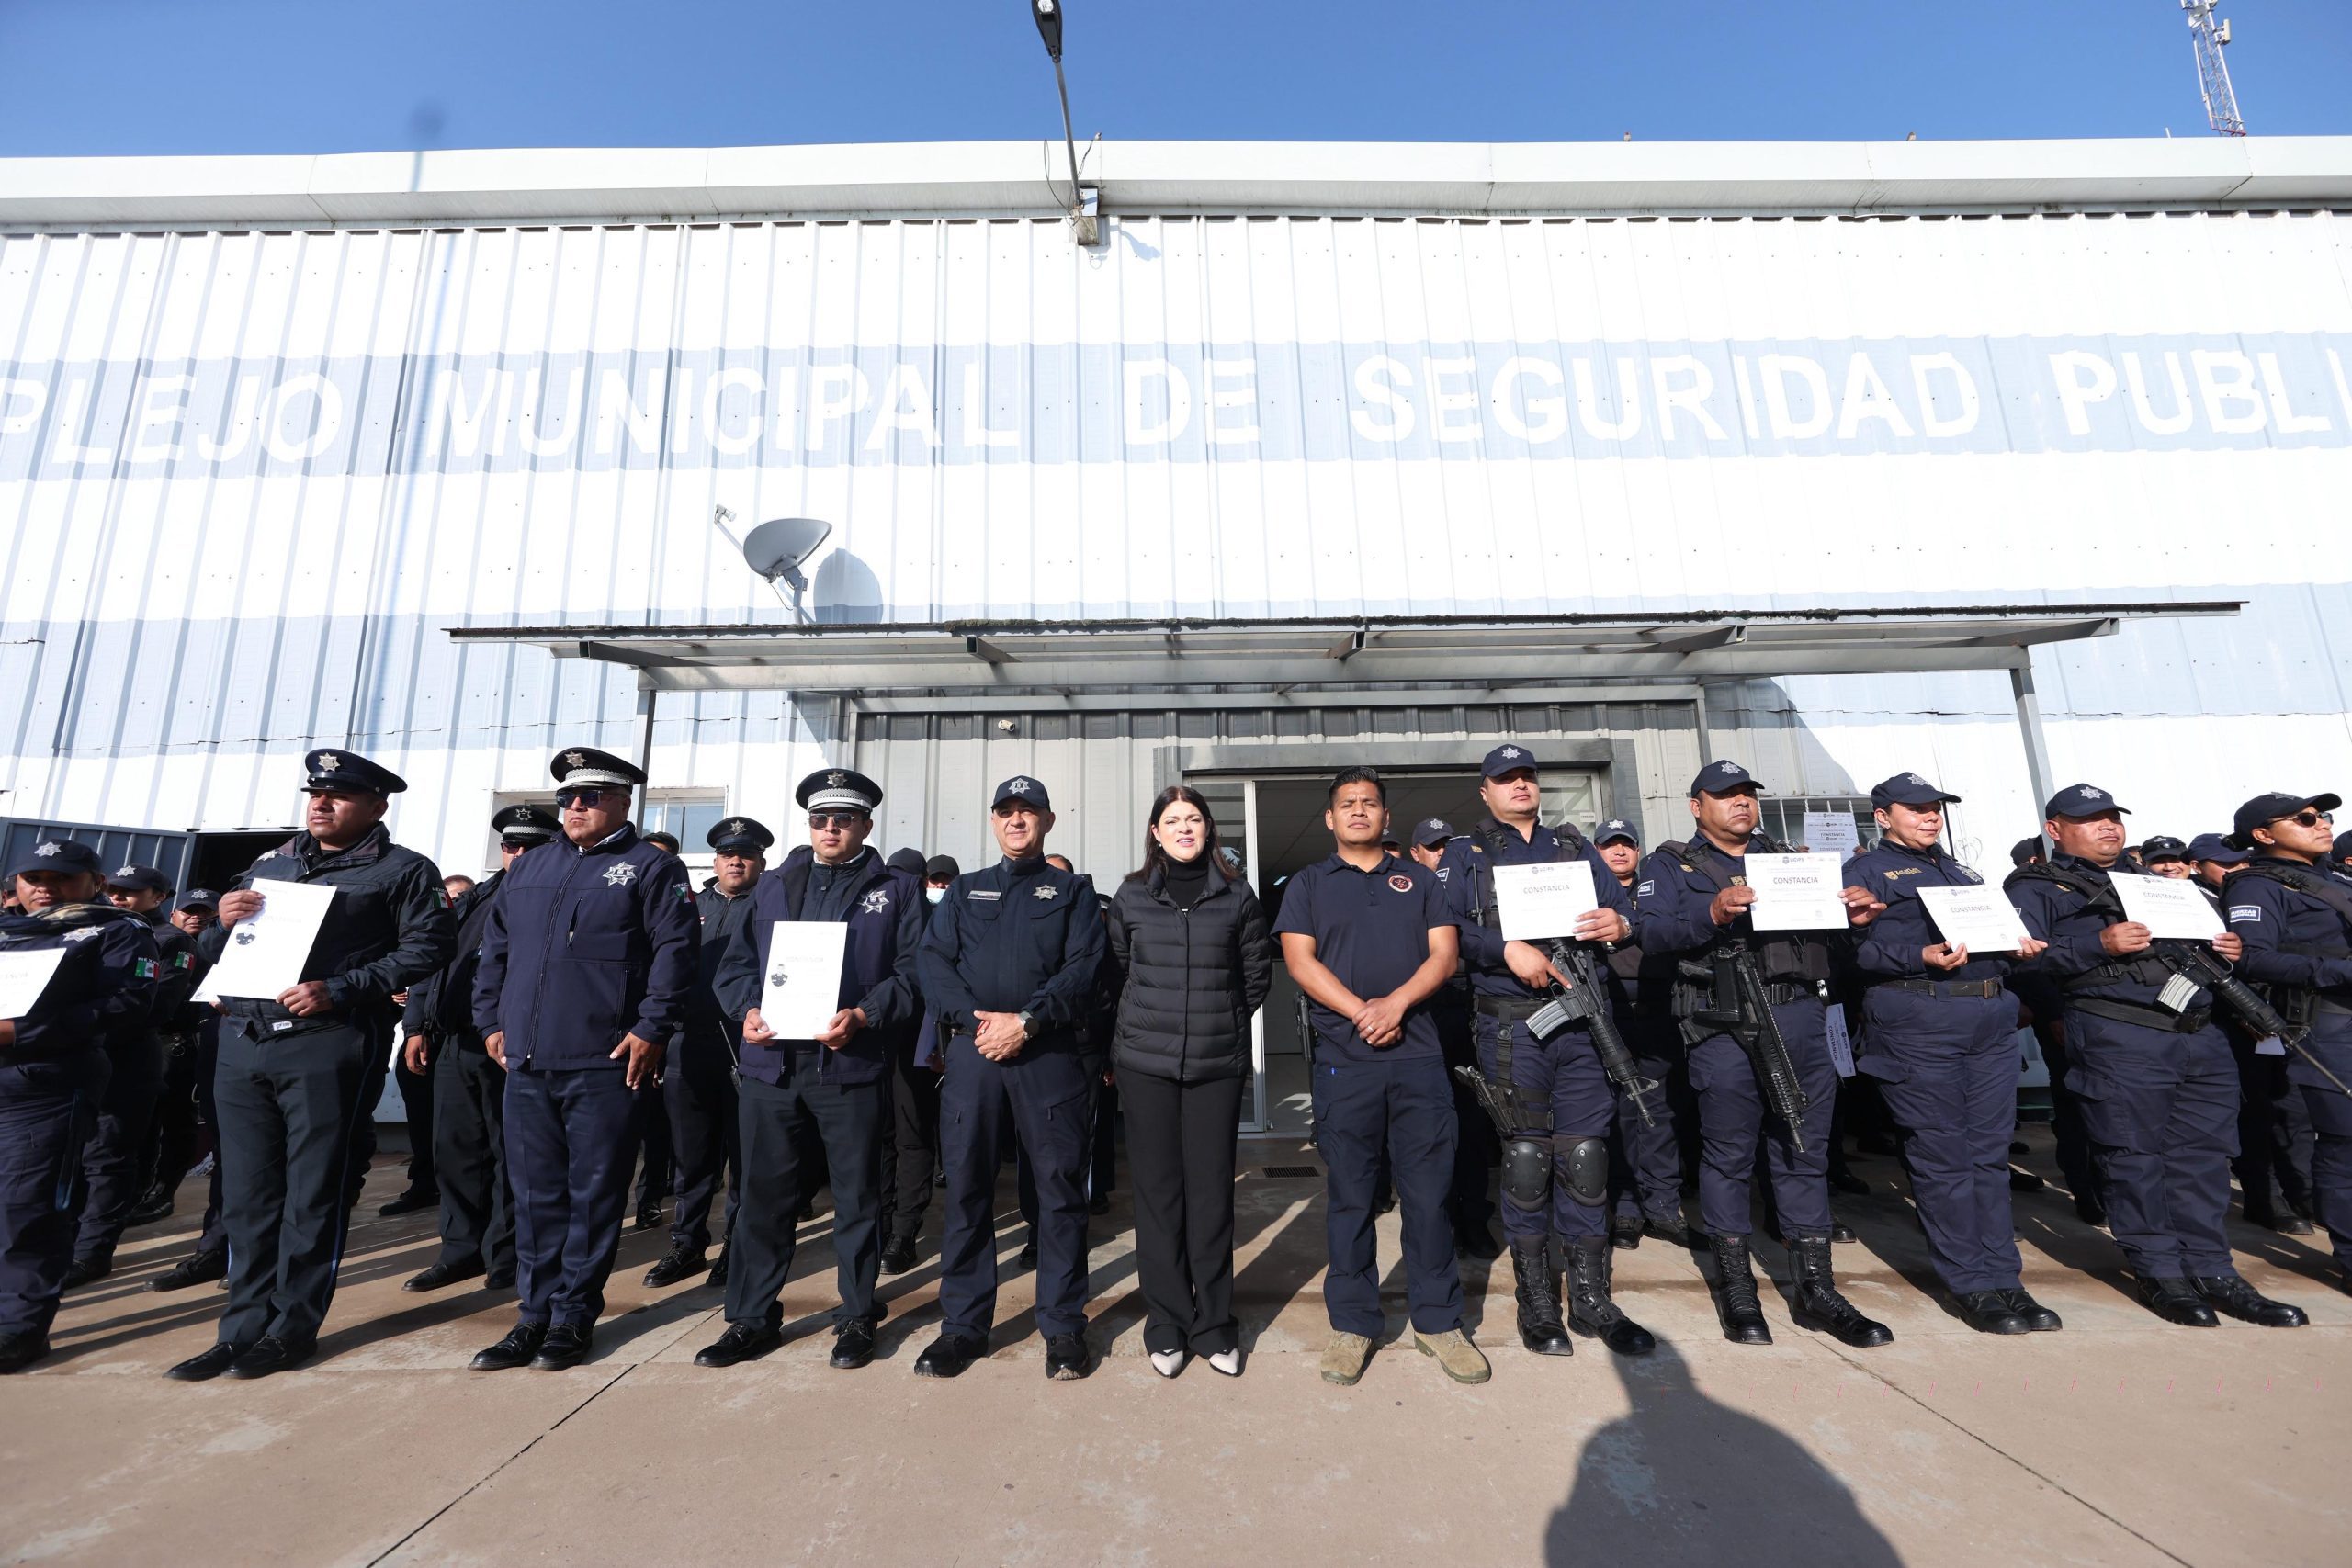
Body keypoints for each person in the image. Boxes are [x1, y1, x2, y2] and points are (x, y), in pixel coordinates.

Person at [165, 750, 457, 1382]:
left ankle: (291, 1329)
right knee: (246, 1196)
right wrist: (219, 924)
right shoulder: (270, 863)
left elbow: (431, 946)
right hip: (243, 1039)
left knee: (312, 1192)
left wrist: (343, 987)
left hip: (325, 1040)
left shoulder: (403, 870)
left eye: (339, 795)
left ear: (376, 806)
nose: (321, 803)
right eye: (315, 793)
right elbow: (214, 950)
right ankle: (239, 1330)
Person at [2007, 782, 2305, 1327]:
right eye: (2089, 819)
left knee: (2204, 1159)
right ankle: (2160, 1272)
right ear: (2055, 829)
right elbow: (2018, 960)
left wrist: (2229, 948)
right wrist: (2096, 944)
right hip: (2121, 1034)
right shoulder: (2036, 887)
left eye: (2112, 817)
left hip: (2199, 1034)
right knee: (2134, 1159)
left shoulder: (2155, 881)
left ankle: (2213, 1270)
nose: (2107, 826)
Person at [1642, 761, 1894, 1349]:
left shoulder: (1788, 860)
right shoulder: (1671, 865)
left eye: (1747, 795)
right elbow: (1649, 934)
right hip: (1725, 1024)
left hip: (1801, 1016)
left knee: (1804, 1150)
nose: (1741, 803)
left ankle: (1817, 1289)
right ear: (1697, 806)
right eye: (1726, 795)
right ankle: (1737, 1288)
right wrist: (1710, 912)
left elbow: (1831, 943)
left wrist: (1855, 920)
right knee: (1729, 1154)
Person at [466, 748, 698, 1372]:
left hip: (604, 1059)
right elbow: (495, 951)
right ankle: (531, 1317)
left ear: (623, 801)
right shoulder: (530, 866)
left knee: (593, 1194)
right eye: (567, 797)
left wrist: (652, 1027)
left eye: (590, 797)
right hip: (527, 1061)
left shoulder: (650, 866)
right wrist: (490, 1021)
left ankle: (573, 1317)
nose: (574, 807)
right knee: (535, 1196)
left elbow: (676, 952)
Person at [694, 769, 923, 1369]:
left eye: (844, 819)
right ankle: (751, 1319)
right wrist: (747, 1008)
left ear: (865, 824)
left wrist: (865, 1014)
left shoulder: (897, 889)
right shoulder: (774, 883)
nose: (831, 828)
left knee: (857, 1198)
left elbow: (914, 972)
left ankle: (857, 1314)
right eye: (821, 819)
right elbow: (736, 965)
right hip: (771, 1066)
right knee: (761, 1197)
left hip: (849, 1065)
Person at [1438, 746, 1652, 1360]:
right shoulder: (1464, 854)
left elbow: (1627, 911)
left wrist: (1620, 923)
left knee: (1586, 1158)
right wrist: (1504, 949)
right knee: (1527, 1161)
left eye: (1528, 777)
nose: (1520, 786)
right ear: (1485, 791)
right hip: (1511, 1026)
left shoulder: (1575, 848)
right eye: (1506, 779)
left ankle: (1591, 1299)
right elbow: (1445, 928)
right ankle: (1536, 1302)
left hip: (1584, 1023)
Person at [1276, 767, 1488, 1388]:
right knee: (1351, 1195)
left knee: (1429, 1195)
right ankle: (1353, 1324)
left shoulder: (1420, 880)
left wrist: (1395, 1006)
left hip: (1417, 1058)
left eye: (1369, 802)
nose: (1359, 811)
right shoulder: (1308, 884)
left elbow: (1445, 955)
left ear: (1385, 816)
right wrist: (1361, 1013)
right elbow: (1299, 961)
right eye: (1347, 803)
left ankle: (1438, 1321)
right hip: (1346, 1061)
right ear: (1330, 818)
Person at [1843, 773, 2062, 1335]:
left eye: (1935, 808)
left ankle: (2005, 1278)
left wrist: (2017, 949)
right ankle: (1971, 1283)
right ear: (1883, 817)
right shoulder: (1864, 873)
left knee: (1987, 1155)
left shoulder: (1961, 872)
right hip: (1921, 1021)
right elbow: (1850, 954)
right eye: (1916, 808)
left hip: (1987, 1021)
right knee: (1943, 1158)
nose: (1930, 816)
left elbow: (1988, 941)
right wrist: (1917, 955)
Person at [914, 775, 1107, 1381]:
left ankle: (1064, 1326)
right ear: (994, 821)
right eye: (1006, 811)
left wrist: (1027, 1021)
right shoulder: (964, 890)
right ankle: (962, 1327)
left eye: (1028, 811)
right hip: (975, 1053)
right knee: (967, 1188)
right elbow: (932, 961)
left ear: (1047, 820)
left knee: (1059, 1192)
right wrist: (978, 1022)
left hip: (1048, 1054)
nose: (1017, 820)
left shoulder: (1074, 891)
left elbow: (1085, 968)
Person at [1106, 785, 1273, 1378]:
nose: (1184, 828)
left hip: (1214, 1066)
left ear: (1208, 830)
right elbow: (1118, 971)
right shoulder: (1131, 895)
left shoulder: (1236, 895)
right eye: (1173, 820)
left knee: (1211, 1196)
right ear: (1155, 832)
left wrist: (1217, 1023)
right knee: (1157, 1196)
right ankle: (1167, 1322)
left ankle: (1214, 1324)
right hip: (1145, 1066)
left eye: (1194, 819)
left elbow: (1255, 976)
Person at [0, 840, 160, 1372]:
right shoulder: (8, 930)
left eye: (62, 877)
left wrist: (20, 1031)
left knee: (26, 1207)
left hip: (42, 1085)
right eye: (33, 877)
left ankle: (18, 1327)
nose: (44, 888)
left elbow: (127, 1003)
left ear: (96, 882)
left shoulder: (115, 930)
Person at [398, 804, 560, 1293]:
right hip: (454, 1040)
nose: (518, 854)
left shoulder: (555, 895)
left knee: (511, 1153)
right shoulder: (476, 897)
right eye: (510, 845)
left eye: (531, 845)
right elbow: (435, 959)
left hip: (510, 1043)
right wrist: (415, 1025)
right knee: (455, 1152)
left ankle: (505, 1253)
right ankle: (459, 1250)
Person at [2222, 792, 2352, 1292]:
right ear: (2263, 834)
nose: (2321, 824)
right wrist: (2340, 972)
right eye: (2305, 818)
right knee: (2345, 1142)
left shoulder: (2334, 878)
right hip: (2327, 1024)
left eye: (2323, 816)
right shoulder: (2256, 885)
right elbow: (2252, 958)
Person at [642, 815, 771, 1291]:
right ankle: (688, 1242)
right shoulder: (687, 907)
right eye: (727, 854)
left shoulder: (772, 909)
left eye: (746, 855)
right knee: (691, 1156)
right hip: (688, 1043)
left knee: (745, 1156)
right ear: (714, 861)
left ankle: (737, 1244)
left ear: (761, 863)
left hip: (747, 1045)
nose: (736, 862)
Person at [1591, 816, 1691, 1249]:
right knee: (1619, 1116)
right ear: (1596, 852)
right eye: (1609, 845)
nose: (1619, 851)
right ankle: (1627, 1209)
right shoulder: (1587, 895)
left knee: (1660, 1113)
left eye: (1626, 844)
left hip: (1658, 1011)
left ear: (1637, 850)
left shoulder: (1659, 890)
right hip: (1607, 1016)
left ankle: (1663, 1207)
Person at [1408, 816, 1499, 1260]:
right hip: (1426, 1013)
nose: (1441, 853)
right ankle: (1439, 1219)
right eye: (1432, 847)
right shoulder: (1407, 893)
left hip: (1470, 1006)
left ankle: (1474, 1218)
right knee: (1429, 1126)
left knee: (1473, 1121)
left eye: (1446, 844)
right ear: (1416, 854)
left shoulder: (1475, 891)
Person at [107, 866, 205, 1234]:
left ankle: (158, 1193)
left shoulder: (172, 940)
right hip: (114, 1045)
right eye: (114, 889)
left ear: (159, 897)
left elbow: (162, 1002)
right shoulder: (109, 931)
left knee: (166, 1121)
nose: (118, 897)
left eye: (130, 891)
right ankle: (132, 1193)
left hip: (163, 1044)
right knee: (130, 1127)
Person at [876, 853, 960, 1270]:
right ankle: (881, 1224)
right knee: (878, 1139)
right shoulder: (874, 915)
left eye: (912, 879)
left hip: (916, 1044)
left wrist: (937, 1044)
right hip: (870, 1041)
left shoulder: (942, 919)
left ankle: (904, 1231)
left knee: (912, 1137)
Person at [149, 889, 232, 1292]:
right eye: (190, 912)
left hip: (215, 1041)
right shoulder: (157, 941)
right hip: (190, 1042)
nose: (197, 919)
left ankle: (246, 1254)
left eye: (206, 913)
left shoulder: (235, 945)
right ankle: (215, 1247)